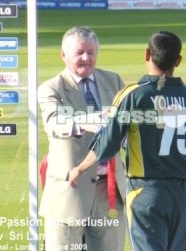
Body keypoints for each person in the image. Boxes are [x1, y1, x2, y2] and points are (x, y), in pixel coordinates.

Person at [68, 30, 186, 251]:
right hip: (184, 191)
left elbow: (108, 143)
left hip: (147, 189)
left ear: (147, 54)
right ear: (178, 60)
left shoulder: (134, 94)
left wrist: (79, 169)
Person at [38, 26, 126, 251]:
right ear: (63, 55)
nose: (86, 58)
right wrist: (89, 121)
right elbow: (54, 123)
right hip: (70, 192)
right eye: (79, 53)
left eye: (91, 52)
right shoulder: (51, 88)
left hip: (109, 192)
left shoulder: (114, 80)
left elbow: (127, 124)